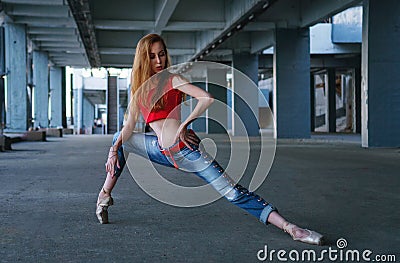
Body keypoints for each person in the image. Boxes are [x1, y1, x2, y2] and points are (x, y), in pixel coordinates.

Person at [96, 33, 324, 246]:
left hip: (187, 152)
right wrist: (112, 149)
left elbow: (206, 98)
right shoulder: (140, 91)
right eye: (152, 56)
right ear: (143, 59)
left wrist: (184, 126)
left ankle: (291, 228)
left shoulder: (172, 79)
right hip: (160, 151)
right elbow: (127, 128)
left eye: (162, 53)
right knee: (119, 139)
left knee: (233, 192)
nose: (159, 60)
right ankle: (104, 195)